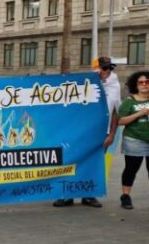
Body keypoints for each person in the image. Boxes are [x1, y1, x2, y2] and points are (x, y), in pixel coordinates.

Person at [52, 57, 118, 208]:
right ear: (95, 68)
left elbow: (115, 112)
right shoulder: (82, 83)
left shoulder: (115, 86)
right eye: (103, 68)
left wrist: (112, 134)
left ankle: (89, 195)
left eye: (109, 68)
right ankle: (67, 195)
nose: (106, 71)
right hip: (81, 132)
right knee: (72, 161)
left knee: (95, 164)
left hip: (102, 134)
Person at [117, 70, 149, 210]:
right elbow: (121, 121)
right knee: (131, 169)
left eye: (147, 82)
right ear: (136, 84)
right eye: (141, 82)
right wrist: (140, 113)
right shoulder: (129, 101)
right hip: (134, 140)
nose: (144, 85)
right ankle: (125, 196)